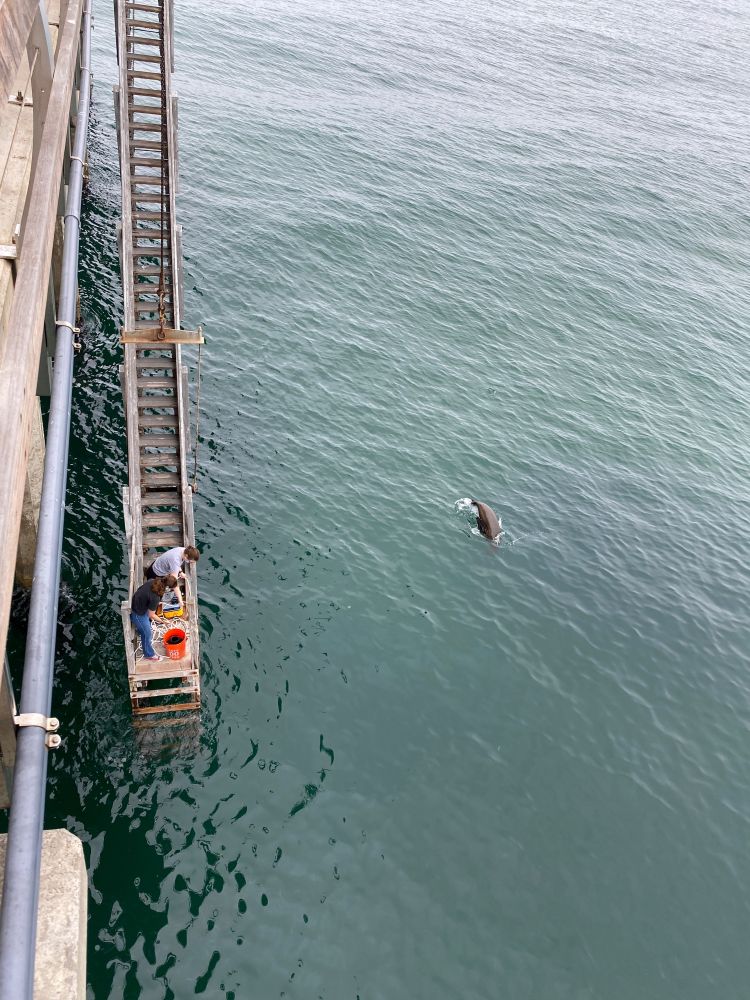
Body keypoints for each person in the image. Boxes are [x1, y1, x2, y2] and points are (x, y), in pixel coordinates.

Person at [130, 576, 174, 660]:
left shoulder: (152, 580)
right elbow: (151, 615)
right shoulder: (155, 598)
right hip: (138, 613)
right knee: (147, 634)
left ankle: (140, 629)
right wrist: (163, 621)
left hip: (137, 603)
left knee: (146, 627)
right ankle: (149, 654)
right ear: (167, 588)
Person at [145, 544, 200, 609]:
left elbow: (177, 564)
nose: (189, 563)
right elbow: (173, 584)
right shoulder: (175, 560)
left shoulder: (183, 550)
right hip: (156, 574)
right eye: (190, 561)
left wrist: (180, 572)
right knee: (156, 592)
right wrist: (180, 600)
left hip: (157, 564)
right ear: (186, 556)